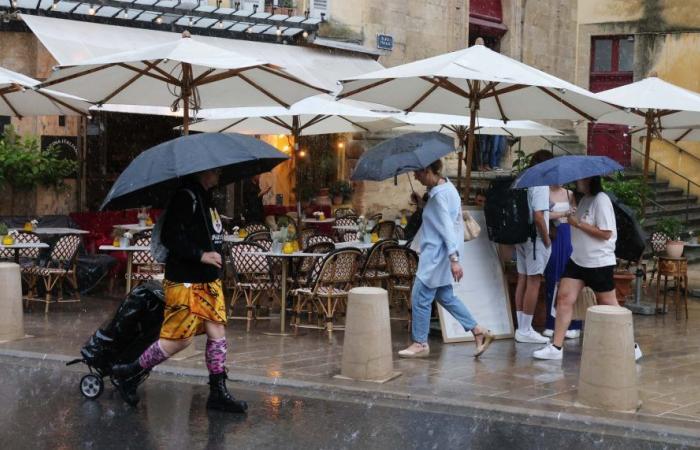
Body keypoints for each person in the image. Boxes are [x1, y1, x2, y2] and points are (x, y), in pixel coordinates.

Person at [112, 169, 248, 413]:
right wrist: (201, 254)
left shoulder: (206, 197)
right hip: (186, 280)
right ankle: (130, 373)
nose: (219, 174)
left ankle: (217, 392)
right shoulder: (186, 196)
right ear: (204, 172)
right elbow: (170, 236)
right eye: (214, 170)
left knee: (217, 330)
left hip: (208, 281)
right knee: (179, 340)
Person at [398, 159, 494, 359]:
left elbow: (447, 228)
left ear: (427, 170)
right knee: (445, 296)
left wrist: (454, 259)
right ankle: (478, 330)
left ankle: (420, 343)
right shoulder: (447, 188)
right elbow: (445, 219)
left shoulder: (440, 196)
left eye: (417, 172)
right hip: (442, 254)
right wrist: (423, 203)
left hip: (436, 255)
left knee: (420, 296)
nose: (415, 176)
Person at [533, 176, 618, 360]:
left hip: (598, 262)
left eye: (581, 179)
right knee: (564, 298)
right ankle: (556, 346)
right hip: (578, 259)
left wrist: (577, 223)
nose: (577, 181)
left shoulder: (601, 200)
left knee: (608, 304)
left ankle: (629, 345)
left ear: (589, 180)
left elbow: (606, 233)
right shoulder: (584, 200)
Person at [514, 150, 553, 344]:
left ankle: (521, 327)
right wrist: (546, 239)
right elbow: (538, 216)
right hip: (535, 240)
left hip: (520, 236)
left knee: (522, 279)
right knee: (534, 281)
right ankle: (525, 329)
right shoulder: (541, 183)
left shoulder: (524, 179)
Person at [543, 184, 582, 339]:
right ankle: (551, 322)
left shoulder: (570, 194)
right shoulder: (543, 193)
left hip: (568, 235)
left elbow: (575, 217)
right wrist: (562, 214)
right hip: (552, 235)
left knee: (570, 279)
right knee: (552, 277)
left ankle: (574, 324)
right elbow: (542, 215)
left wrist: (571, 213)